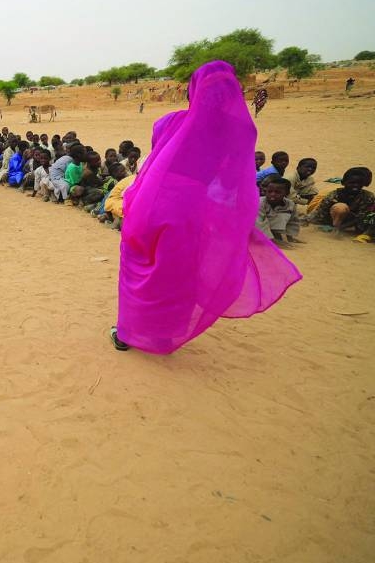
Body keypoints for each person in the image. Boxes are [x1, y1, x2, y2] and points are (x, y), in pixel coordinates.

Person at [112, 61, 301, 354]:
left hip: (153, 203)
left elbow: (156, 164)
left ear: (193, 90)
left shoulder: (168, 122)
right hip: (193, 210)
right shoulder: (239, 130)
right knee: (180, 272)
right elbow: (231, 182)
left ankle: (127, 334)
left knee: (140, 267)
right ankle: (165, 334)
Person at [307, 167, 374, 237]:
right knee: (340, 208)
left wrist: (342, 227)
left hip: (352, 221)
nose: (355, 185)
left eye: (359, 183)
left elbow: (361, 217)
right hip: (330, 218)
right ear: (343, 183)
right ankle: (335, 227)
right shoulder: (333, 195)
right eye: (352, 183)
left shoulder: (368, 197)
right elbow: (319, 212)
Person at [256, 179, 302, 247]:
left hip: (270, 229)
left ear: (287, 193)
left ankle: (274, 233)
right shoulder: (259, 202)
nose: (273, 194)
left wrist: (290, 237)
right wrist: (272, 241)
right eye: (269, 191)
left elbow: (293, 221)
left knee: (284, 215)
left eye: (278, 192)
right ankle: (268, 238)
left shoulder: (290, 204)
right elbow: (259, 223)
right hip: (250, 228)